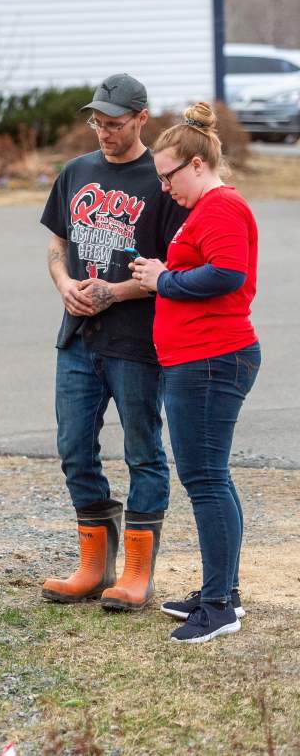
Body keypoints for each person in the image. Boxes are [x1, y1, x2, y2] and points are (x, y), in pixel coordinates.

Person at [39, 74, 189, 611]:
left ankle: (138, 574)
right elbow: (59, 242)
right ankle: (93, 566)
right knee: (74, 449)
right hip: (78, 337)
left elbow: (176, 267)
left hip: (138, 341)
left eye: (115, 123)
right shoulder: (77, 172)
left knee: (143, 451)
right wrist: (65, 287)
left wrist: (116, 292)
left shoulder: (163, 179)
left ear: (141, 118)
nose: (104, 131)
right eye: (97, 122)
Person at [130, 102, 259, 643]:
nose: (164, 187)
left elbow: (228, 275)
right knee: (211, 478)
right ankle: (220, 592)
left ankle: (220, 606)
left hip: (212, 360)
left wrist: (164, 280)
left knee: (205, 481)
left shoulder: (220, 207)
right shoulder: (205, 209)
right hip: (199, 360)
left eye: (168, 176)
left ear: (197, 165)